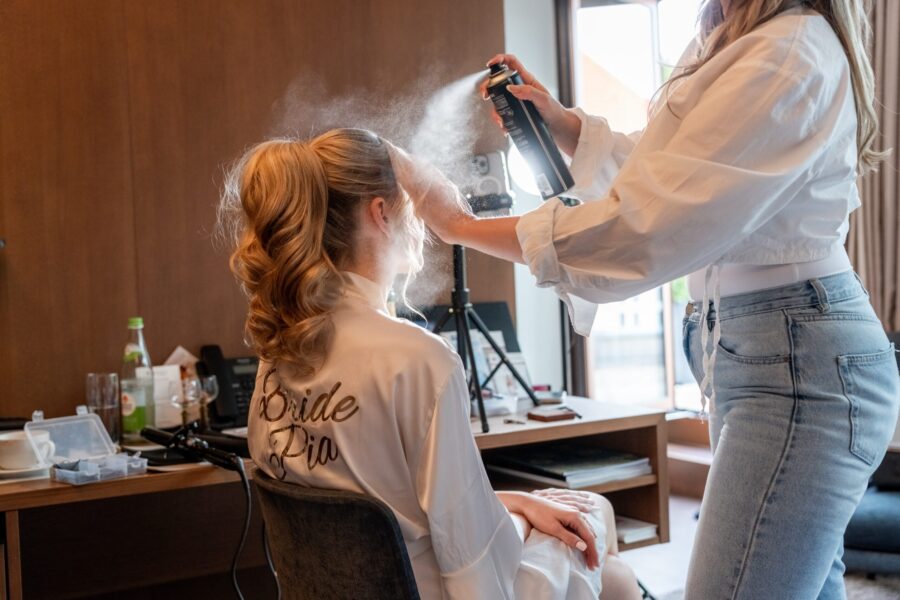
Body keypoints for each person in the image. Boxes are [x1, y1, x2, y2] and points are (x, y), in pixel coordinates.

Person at [395, 1, 900, 598]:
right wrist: (564, 126)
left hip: (796, 360)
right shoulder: (733, 37)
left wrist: (459, 225)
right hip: (765, 348)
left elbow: (651, 223)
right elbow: (672, 171)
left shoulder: (787, 50)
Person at [219, 128, 642, 599]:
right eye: (414, 201)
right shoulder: (418, 359)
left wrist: (514, 504)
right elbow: (473, 567)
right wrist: (518, 521)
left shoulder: (277, 352)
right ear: (381, 213)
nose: (422, 217)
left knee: (586, 519)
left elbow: (378, 507)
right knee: (608, 549)